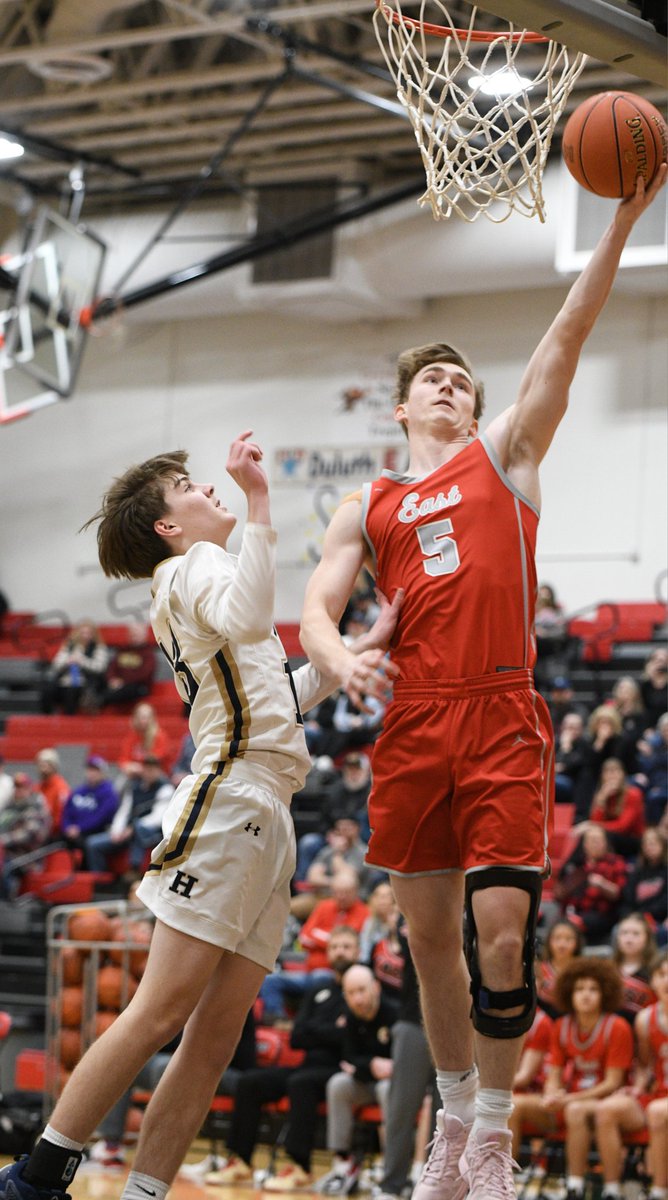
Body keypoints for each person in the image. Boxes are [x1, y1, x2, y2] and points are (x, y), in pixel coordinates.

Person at [300, 164, 667, 1199]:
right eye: (434, 379)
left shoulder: (503, 454)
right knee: (426, 943)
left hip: (501, 709)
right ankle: (451, 1121)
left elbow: (565, 335)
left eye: (462, 376)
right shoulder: (366, 503)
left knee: (498, 937)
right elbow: (315, 612)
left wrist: (623, 221)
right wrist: (336, 657)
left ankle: (492, 1134)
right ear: (405, 403)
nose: (451, 385)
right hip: (411, 719)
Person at [0, 431, 400, 1200]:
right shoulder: (194, 566)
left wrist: (355, 647)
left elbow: (272, 691)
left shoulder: (198, 578)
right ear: (167, 527)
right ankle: (37, 1178)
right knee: (162, 1012)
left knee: (214, 1037)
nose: (205, 487)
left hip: (267, 808)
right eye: (188, 485)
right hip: (231, 800)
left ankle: (144, 1191)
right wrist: (258, 500)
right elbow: (254, 620)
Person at [204, 926, 361, 1189]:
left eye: (346, 946)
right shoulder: (318, 989)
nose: (340, 952)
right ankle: (241, 1161)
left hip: (342, 1070)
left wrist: (318, 1031)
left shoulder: (361, 988)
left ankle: (301, 1167)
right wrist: (332, 1030)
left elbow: (350, 1037)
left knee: (301, 1084)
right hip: (308, 1065)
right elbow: (298, 1037)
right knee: (250, 1082)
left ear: (357, 951)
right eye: (335, 947)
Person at [508, 957, 634, 1200]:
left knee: (575, 1110)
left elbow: (612, 1083)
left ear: (605, 992)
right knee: (515, 1105)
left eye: (593, 989)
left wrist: (567, 1098)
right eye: (579, 989)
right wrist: (552, 1094)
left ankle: (575, 1187)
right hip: (569, 1102)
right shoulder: (562, 1025)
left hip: (606, 1103)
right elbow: (554, 1073)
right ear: (568, 993)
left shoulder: (617, 1026)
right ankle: (503, 1181)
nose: (585, 995)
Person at [316, 963, 399, 1196]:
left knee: (386, 1088)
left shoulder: (394, 1013)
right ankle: (342, 1162)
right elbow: (349, 1058)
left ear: (376, 987)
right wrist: (372, 1065)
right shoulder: (350, 1018)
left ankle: (389, 1164)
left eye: (362, 990)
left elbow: (401, 1062)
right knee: (338, 1084)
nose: (358, 999)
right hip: (365, 1083)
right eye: (351, 993)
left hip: (392, 1085)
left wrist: (366, 1066)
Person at [591, 951, 668, 1200]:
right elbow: (645, 1065)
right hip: (658, 1094)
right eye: (661, 975)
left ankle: (659, 1191)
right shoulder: (645, 1019)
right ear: (653, 982)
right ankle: (613, 1190)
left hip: (661, 1106)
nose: (666, 981)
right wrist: (637, 1087)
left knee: (658, 1112)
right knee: (607, 1109)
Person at [260, 867, 370, 1021]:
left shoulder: (364, 912)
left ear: (356, 891)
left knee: (320, 977)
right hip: (308, 971)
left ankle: (305, 1021)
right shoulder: (324, 906)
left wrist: (320, 937)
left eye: (347, 892)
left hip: (334, 975)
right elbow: (304, 938)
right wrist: (329, 938)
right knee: (270, 980)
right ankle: (278, 1022)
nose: (342, 896)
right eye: (338, 891)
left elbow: (350, 941)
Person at [84, 755, 175, 879]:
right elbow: (124, 811)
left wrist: (132, 828)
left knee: (139, 829)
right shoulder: (135, 787)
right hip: (127, 832)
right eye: (146, 768)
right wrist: (117, 831)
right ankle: (100, 880)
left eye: (152, 769)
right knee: (93, 844)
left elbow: (157, 818)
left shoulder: (166, 788)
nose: (149, 772)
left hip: (152, 834)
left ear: (159, 770)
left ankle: (134, 869)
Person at [556, 825, 627, 945]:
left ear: (606, 843)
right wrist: (567, 887)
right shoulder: (575, 864)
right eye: (591, 840)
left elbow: (620, 894)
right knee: (558, 924)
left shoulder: (616, 863)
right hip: (572, 912)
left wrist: (602, 884)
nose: (595, 844)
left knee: (576, 923)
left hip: (603, 914)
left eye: (598, 840)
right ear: (584, 844)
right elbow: (558, 894)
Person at [59, 756, 120, 863]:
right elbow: (66, 813)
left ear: (103, 772)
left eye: (95, 770)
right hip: (73, 832)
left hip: (96, 831)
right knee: (57, 841)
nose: (92, 773)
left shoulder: (108, 792)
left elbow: (102, 816)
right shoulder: (79, 791)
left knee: (87, 843)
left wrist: (80, 828)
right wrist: (67, 827)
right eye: (90, 769)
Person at [41, 620, 110, 715]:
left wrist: (82, 661)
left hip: (86, 683)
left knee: (71, 691)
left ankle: (69, 721)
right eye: (82, 633)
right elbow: (56, 665)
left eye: (88, 633)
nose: (85, 636)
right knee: (48, 690)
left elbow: (99, 668)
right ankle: (48, 718)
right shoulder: (69, 647)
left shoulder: (99, 648)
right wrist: (67, 661)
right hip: (65, 681)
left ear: (94, 634)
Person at [0, 772, 52, 897]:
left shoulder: (35, 807)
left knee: (5, 869)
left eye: (22, 787)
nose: (18, 790)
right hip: (7, 852)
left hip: (27, 856)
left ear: (29, 788)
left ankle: (5, 903)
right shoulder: (9, 806)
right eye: (16, 787)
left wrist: (4, 839)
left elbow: (30, 834)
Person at [584, 756, 645, 858]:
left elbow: (623, 827)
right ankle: (572, 867)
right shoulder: (602, 795)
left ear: (623, 775)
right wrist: (602, 799)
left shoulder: (633, 794)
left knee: (604, 835)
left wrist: (594, 826)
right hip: (612, 836)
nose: (612, 776)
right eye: (607, 772)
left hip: (632, 839)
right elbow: (595, 822)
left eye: (616, 772)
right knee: (588, 835)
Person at [611, 912, 657, 1026]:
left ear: (647, 938)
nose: (629, 938)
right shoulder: (608, 969)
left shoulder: (655, 971)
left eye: (636, 934)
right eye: (624, 933)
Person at [621, 826, 667, 937]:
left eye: (653, 843)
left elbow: (665, 902)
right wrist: (630, 917)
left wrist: (643, 915)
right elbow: (627, 899)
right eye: (646, 844)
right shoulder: (636, 872)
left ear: (663, 845)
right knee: (619, 930)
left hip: (659, 919)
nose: (649, 847)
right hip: (637, 918)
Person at [536, 918, 584, 1020]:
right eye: (557, 938)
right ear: (549, 941)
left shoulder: (583, 970)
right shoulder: (539, 968)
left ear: (577, 942)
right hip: (545, 1020)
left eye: (568, 939)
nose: (562, 944)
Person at [101, 622, 156, 709]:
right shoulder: (122, 650)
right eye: (132, 634)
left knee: (129, 689)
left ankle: (101, 700)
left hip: (139, 687)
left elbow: (144, 674)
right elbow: (112, 667)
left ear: (145, 636)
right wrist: (112, 679)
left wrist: (123, 681)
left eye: (137, 634)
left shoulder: (148, 653)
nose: (134, 636)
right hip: (119, 685)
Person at [117, 702, 172, 779]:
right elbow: (123, 759)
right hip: (135, 774)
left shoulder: (160, 736)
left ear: (152, 718)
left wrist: (140, 767)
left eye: (146, 717)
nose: (143, 720)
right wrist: (128, 766)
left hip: (156, 774)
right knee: (121, 779)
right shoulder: (131, 736)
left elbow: (156, 759)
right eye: (140, 717)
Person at [34, 750, 71, 833]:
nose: (41, 769)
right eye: (40, 765)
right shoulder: (37, 787)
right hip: (35, 826)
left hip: (51, 832)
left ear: (53, 767)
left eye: (45, 765)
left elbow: (62, 816)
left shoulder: (61, 788)